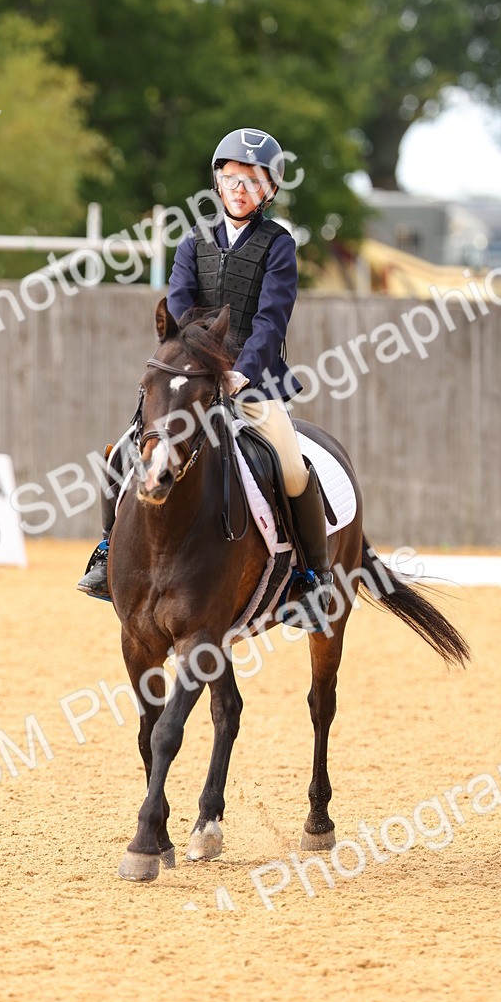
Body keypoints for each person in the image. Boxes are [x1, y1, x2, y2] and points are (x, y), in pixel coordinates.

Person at [76, 127, 333, 630]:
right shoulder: (193, 240)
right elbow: (178, 302)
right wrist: (191, 357)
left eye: (253, 181)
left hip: (250, 378)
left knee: (292, 465)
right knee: (126, 449)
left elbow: (271, 318)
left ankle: (312, 578)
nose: (240, 188)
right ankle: (108, 554)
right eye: (231, 177)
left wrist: (241, 371)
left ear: (270, 190)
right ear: (218, 182)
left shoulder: (279, 246)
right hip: (191, 373)